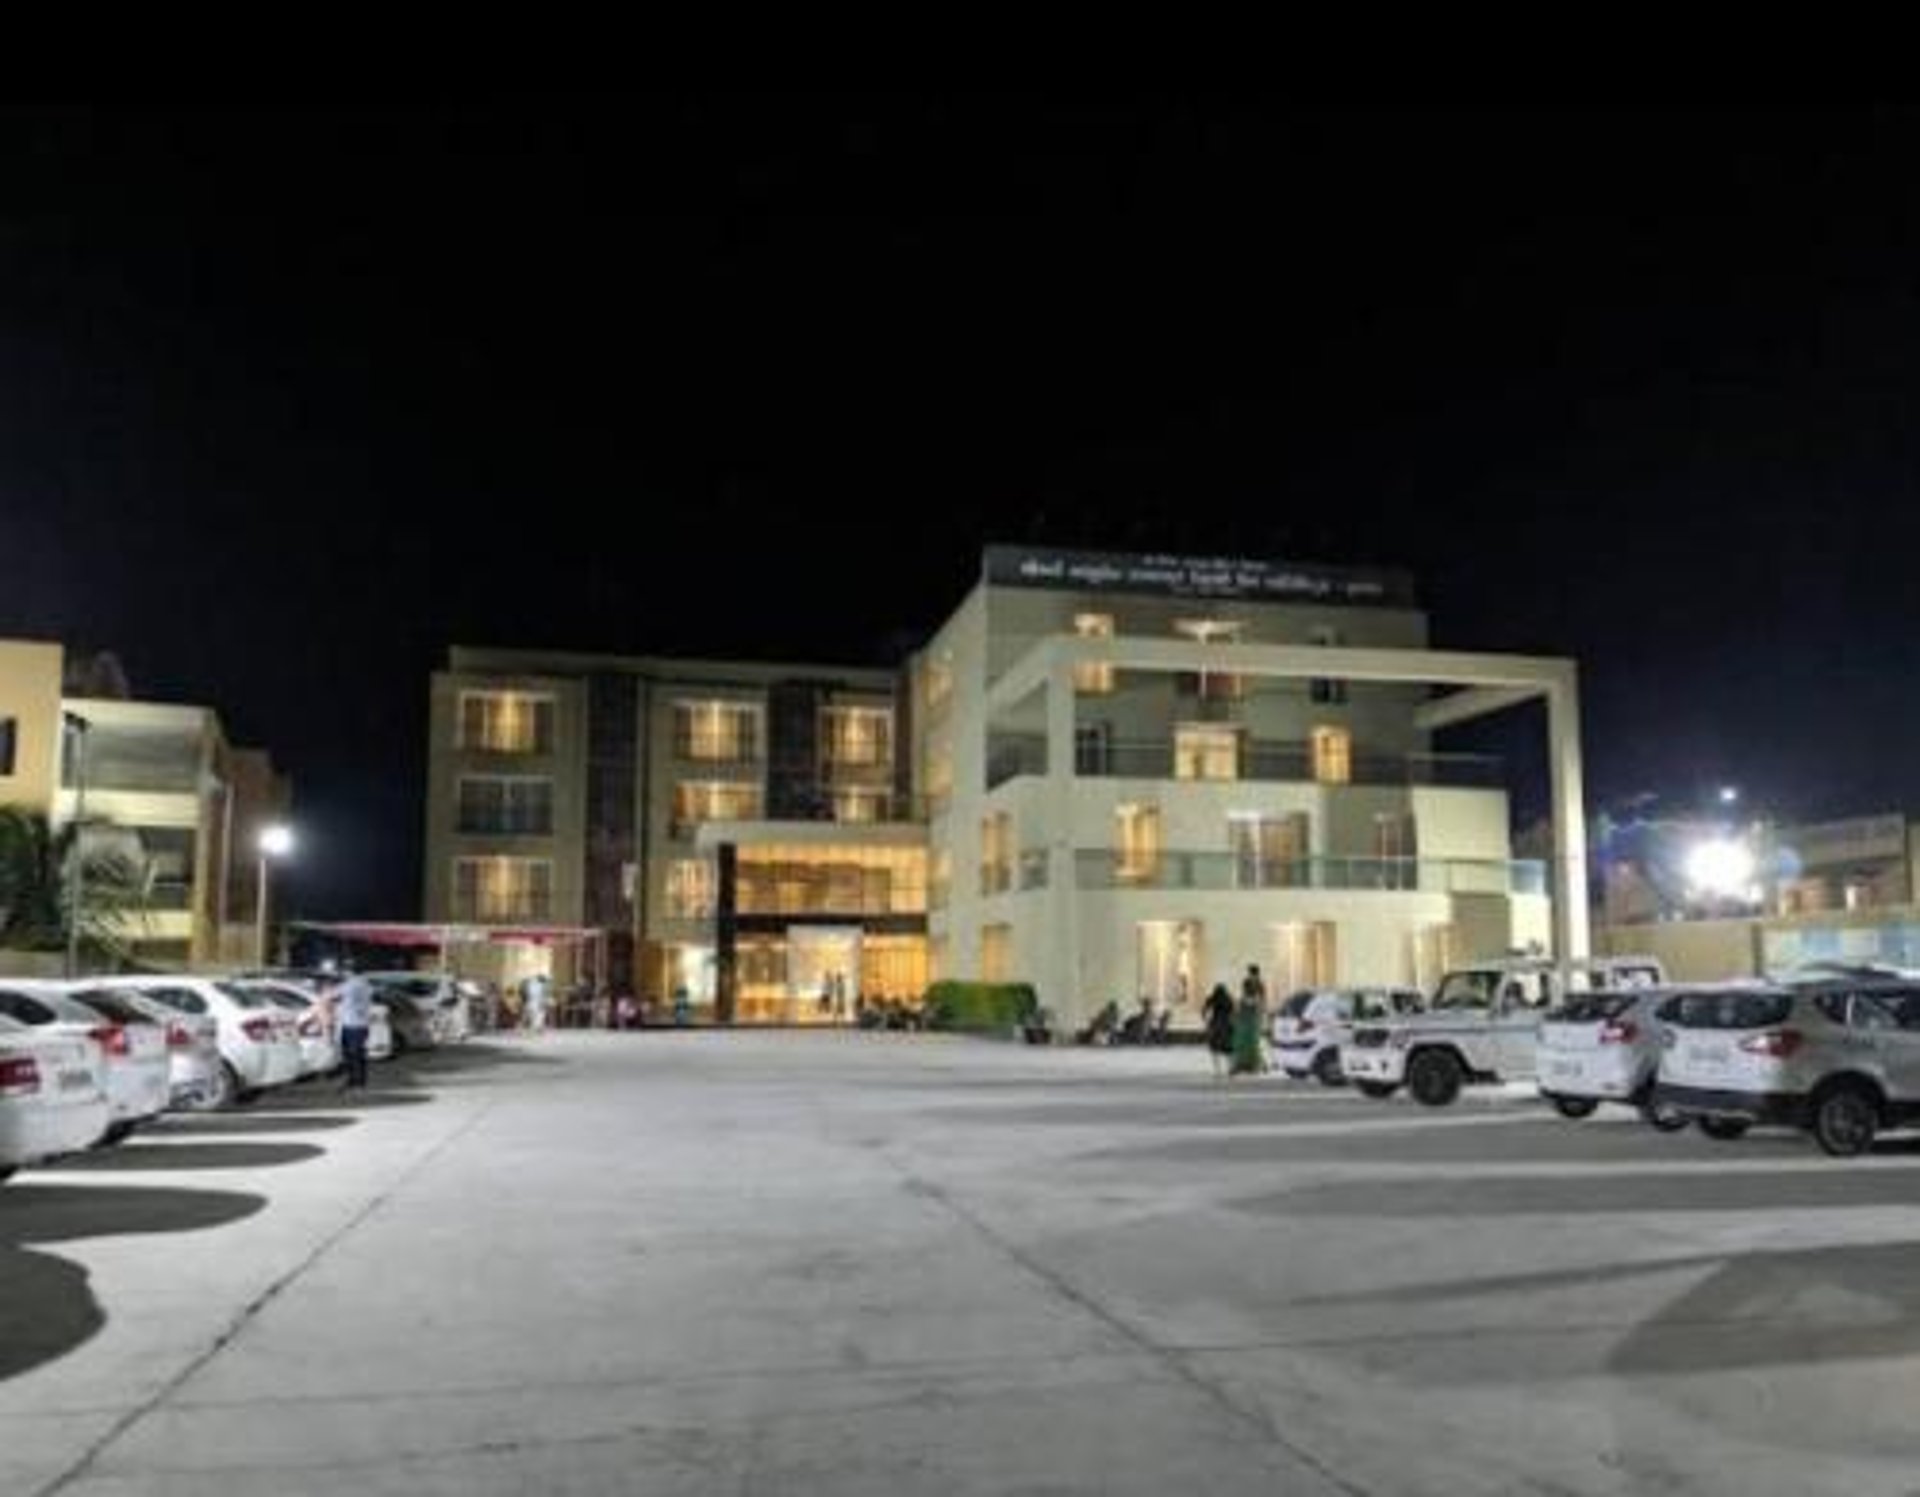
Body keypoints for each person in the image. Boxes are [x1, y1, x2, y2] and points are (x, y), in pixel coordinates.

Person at [332, 970, 374, 1091]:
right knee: (359, 1055)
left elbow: (331, 995)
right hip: (362, 1025)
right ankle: (358, 1082)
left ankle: (355, 1083)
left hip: (351, 1025)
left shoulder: (349, 985)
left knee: (352, 1055)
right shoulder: (366, 985)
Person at [1233, 964, 1269, 1076]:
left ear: (1256, 974)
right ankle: (1244, 1064)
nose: (1250, 977)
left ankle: (1260, 1064)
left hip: (1255, 1015)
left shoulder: (1260, 985)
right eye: (1250, 975)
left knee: (1254, 1041)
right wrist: (1244, 1002)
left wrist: (1257, 1004)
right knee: (1244, 1040)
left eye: (1252, 974)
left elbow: (1262, 1000)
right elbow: (1243, 996)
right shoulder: (1246, 982)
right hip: (1246, 1015)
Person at [1203, 982, 1235, 1078]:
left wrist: (1205, 1019)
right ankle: (1230, 1068)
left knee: (1214, 1048)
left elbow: (1204, 1010)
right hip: (1227, 1025)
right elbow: (1233, 1011)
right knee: (1228, 1049)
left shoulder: (1212, 998)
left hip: (1216, 1024)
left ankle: (1217, 1070)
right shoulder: (1228, 999)